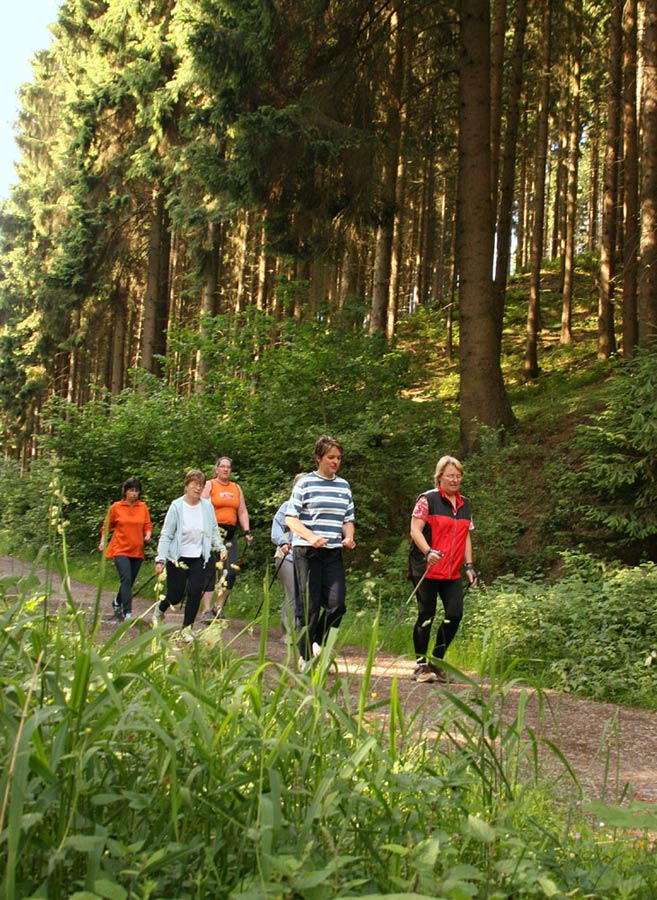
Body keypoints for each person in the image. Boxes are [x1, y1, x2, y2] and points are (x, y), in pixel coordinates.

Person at [285, 435, 356, 668]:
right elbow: (290, 519)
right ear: (318, 459)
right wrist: (310, 536)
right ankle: (305, 657)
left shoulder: (344, 486)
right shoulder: (305, 483)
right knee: (309, 606)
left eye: (338, 458)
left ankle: (317, 640)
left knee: (337, 605)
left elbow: (348, 519)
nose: (335, 462)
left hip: (333, 552)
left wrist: (349, 537)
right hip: (307, 551)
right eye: (330, 457)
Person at [408, 455, 477, 684]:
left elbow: (466, 534)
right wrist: (428, 551)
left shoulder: (465, 504)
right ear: (440, 477)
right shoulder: (428, 499)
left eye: (458, 476)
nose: (455, 480)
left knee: (455, 614)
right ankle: (420, 665)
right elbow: (415, 530)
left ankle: (436, 661)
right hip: (426, 566)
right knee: (426, 614)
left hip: (451, 571)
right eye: (450, 476)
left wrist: (469, 566)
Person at [152, 469, 225, 642]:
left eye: (200, 485)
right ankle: (160, 610)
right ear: (186, 486)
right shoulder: (177, 506)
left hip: (199, 557)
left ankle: (187, 628)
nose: (198, 489)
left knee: (195, 591)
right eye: (194, 485)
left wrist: (221, 547)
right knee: (175, 595)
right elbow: (167, 534)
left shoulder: (207, 506)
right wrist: (160, 559)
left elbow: (213, 530)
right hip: (177, 557)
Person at [199, 456, 253, 622]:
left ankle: (218, 606)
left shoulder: (236, 488)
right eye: (222, 466)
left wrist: (247, 530)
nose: (225, 469)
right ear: (216, 469)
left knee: (230, 571)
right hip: (211, 534)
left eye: (228, 467)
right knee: (209, 572)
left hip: (229, 536)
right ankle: (206, 610)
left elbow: (242, 511)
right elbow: (201, 507)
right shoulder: (210, 485)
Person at [99, 477, 152, 622]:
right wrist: (103, 541)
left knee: (129, 582)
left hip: (137, 550)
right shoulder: (116, 507)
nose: (134, 494)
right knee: (126, 578)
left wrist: (148, 535)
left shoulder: (143, 507)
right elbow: (107, 526)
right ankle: (128, 613)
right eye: (131, 490)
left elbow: (147, 525)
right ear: (126, 491)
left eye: (136, 491)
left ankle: (117, 601)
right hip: (120, 549)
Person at [270, 474, 304, 640]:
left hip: (305, 557)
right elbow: (276, 526)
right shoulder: (287, 506)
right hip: (287, 556)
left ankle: (302, 630)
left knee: (303, 593)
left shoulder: (313, 508)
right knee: (292, 592)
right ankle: (288, 632)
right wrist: (282, 542)